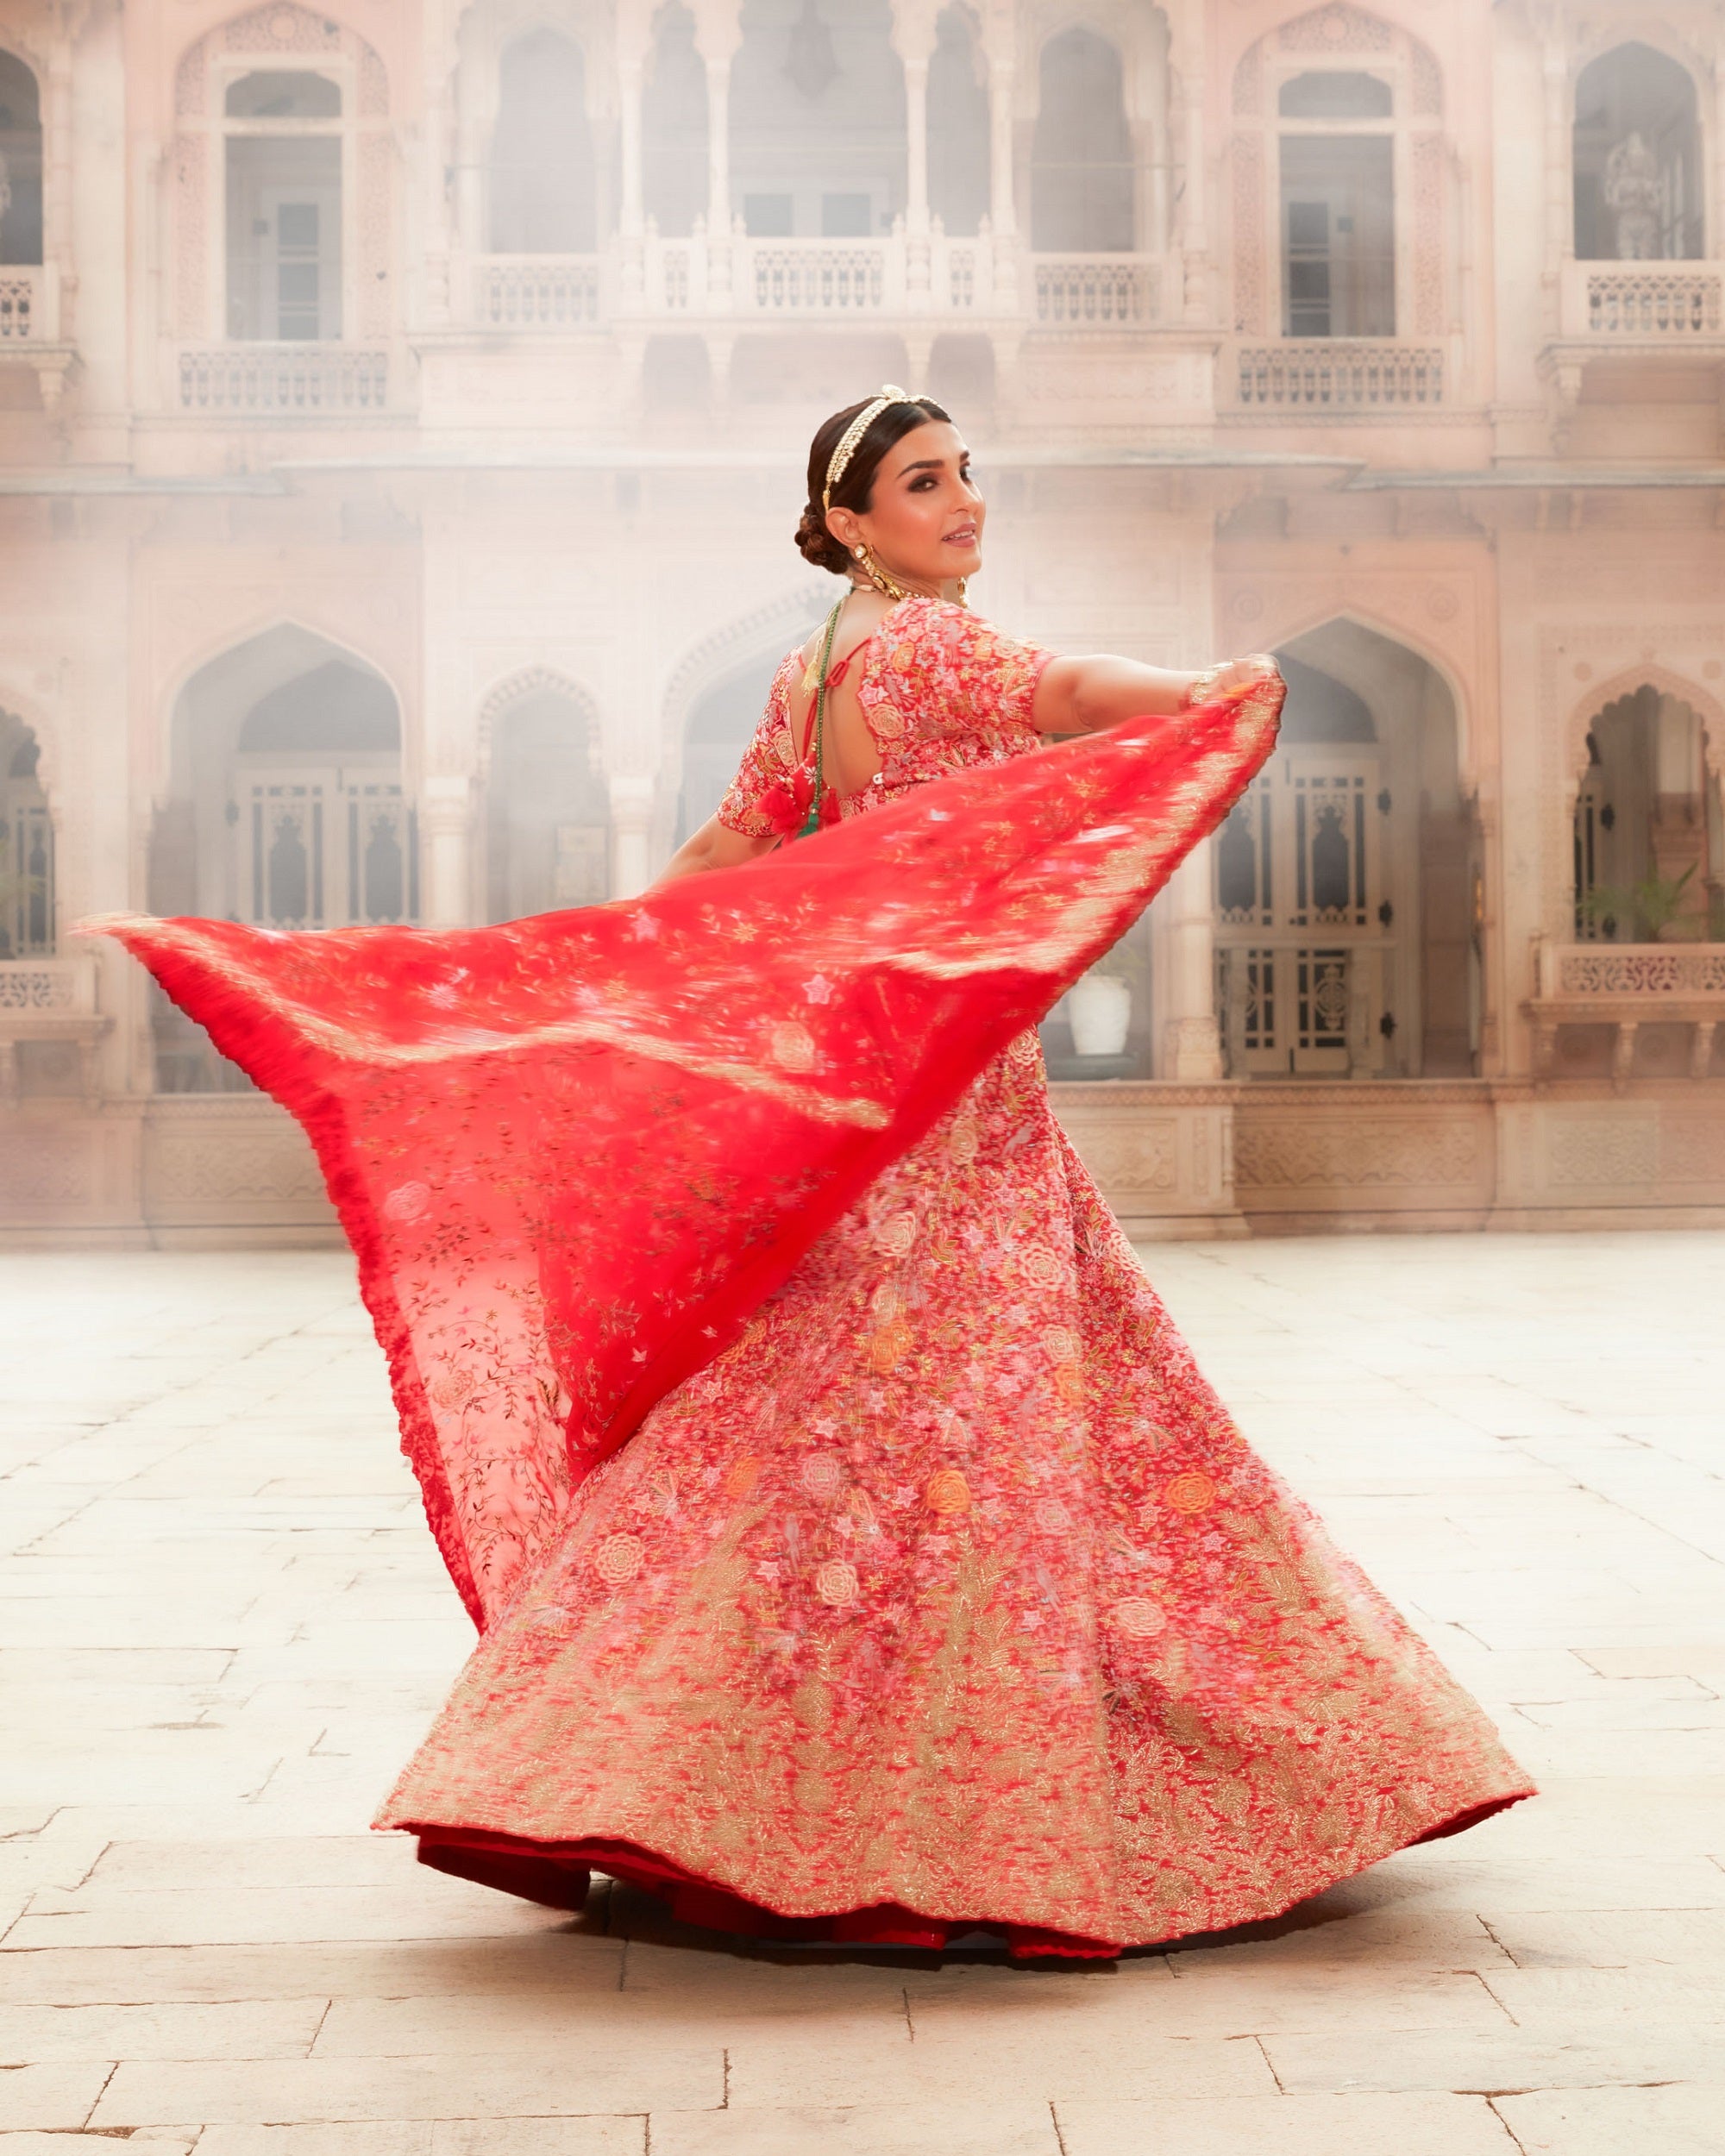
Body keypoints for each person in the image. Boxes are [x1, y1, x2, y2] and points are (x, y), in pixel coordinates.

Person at [92, 391, 1530, 1960]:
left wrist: (612, 978)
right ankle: (961, 1818)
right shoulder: (928, 651)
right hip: (947, 1122)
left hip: (857, 1114)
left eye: (971, 474)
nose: (967, 503)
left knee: (799, 1438)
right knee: (976, 1449)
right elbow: (1064, 688)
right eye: (927, 483)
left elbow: (727, 850)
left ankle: (681, 1778)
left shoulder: (816, 670)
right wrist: (1210, 685)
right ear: (851, 519)